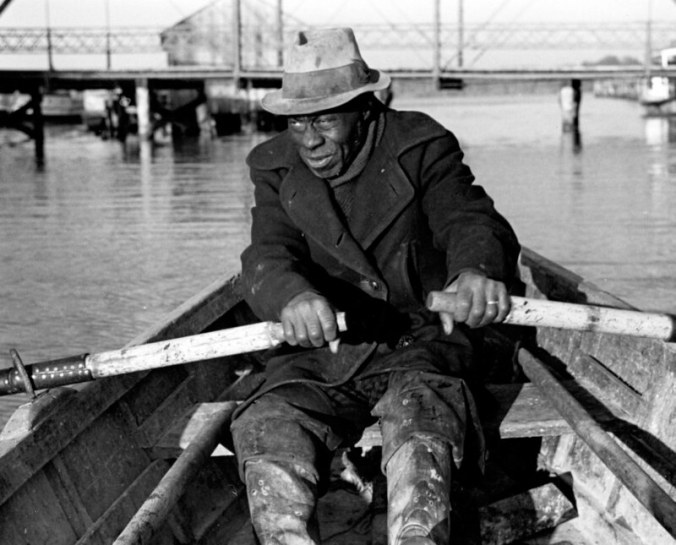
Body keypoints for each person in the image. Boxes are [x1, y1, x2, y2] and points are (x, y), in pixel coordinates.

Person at [230, 28, 520, 545]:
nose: (310, 138)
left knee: (423, 414)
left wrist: (475, 273)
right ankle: (283, 537)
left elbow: (468, 218)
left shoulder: (420, 146)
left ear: (365, 108)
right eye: (298, 121)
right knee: (270, 418)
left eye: (325, 119)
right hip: (324, 353)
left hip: (421, 340)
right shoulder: (273, 165)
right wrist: (291, 297)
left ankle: (418, 534)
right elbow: (267, 253)